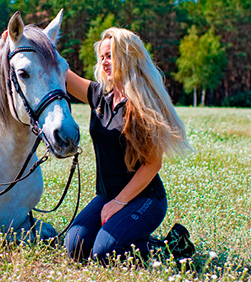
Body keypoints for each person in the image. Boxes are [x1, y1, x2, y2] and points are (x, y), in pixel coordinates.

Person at [64, 27, 195, 262]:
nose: (104, 62)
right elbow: (62, 72)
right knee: (76, 246)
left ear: (127, 56)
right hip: (107, 195)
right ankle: (132, 237)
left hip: (145, 199)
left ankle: (173, 245)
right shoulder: (98, 97)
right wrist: (23, 41)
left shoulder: (143, 105)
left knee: (104, 253)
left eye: (110, 55)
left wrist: (118, 203)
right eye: (102, 56)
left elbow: (153, 164)